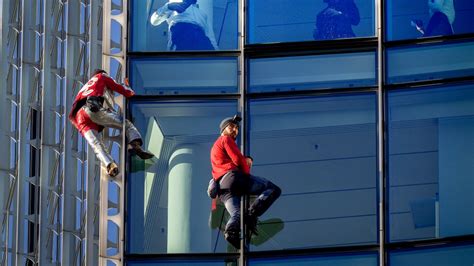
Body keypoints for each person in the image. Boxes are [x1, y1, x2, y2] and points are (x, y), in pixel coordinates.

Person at [210, 115, 281, 249]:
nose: (235, 130)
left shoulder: (214, 150)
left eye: (237, 128)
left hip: (223, 189)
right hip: (234, 178)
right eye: (232, 126)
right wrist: (246, 170)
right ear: (223, 129)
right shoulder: (225, 139)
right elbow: (238, 159)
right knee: (273, 189)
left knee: (237, 214)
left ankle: (231, 232)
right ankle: (252, 214)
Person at [68, 69, 154, 177]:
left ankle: (110, 165)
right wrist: (127, 87)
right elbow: (124, 90)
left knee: (96, 144)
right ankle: (135, 145)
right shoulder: (102, 76)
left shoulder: (84, 88)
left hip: (79, 117)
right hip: (92, 109)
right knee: (126, 124)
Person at [150, 0, 218, 51]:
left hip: (201, 39)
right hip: (182, 34)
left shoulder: (202, 13)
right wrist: (168, 7)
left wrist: (217, 54)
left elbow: (211, 36)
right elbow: (154, 21)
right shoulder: (174, 5)